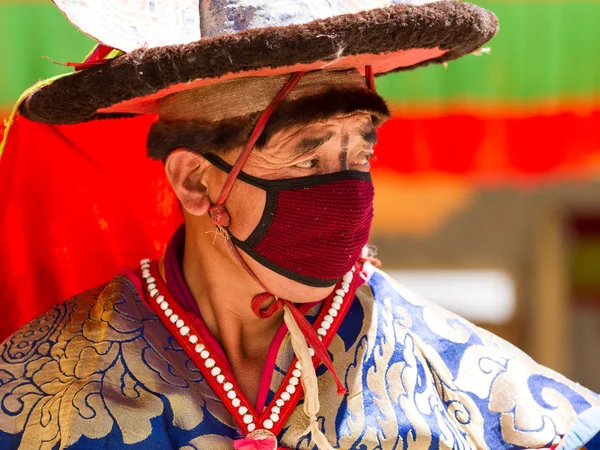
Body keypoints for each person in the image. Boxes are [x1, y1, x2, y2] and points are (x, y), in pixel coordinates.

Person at [0, 1, 598, 449]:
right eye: (307, 156)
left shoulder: (492, 401)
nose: (344, 190)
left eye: (360, 153)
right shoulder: (33, 392)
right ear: (196, 182)